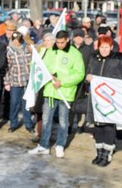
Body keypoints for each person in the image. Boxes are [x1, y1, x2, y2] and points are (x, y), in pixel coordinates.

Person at [28, 30, 85, 158]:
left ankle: (60, 145)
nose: (59, 45)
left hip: (65, 93)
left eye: (61, 43)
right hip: (50, 91)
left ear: (67, 40)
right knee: (47, 119)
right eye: (57, 42)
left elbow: (79, 74)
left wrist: (63, 82)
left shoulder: (75, 54)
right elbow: (41, 65)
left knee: (63, 121)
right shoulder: (50, 51)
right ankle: (44, 145)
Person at [86, 36, 122, 167]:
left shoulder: (116, 60)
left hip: (108, 99)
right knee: (98, 127)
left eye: (106, 47)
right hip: (95, 98)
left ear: (111, 47)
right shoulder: (93, 59)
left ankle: (106, 154)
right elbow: (88, 73)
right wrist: (88, 77)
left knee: (108, 127)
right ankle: (99, 153)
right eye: (102, 47)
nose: (104, 50)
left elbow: (120, 78)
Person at [5, 31, 33, 133]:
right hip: (15, 81)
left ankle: (28, 124)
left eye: (18, 40)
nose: (17, 42)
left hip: (27, 80)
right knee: (14, 103)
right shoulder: (9, 50)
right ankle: (13, 123)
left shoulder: (27, 48)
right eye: (14, 40)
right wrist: (7, 82)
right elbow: (7, 68)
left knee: (27, 104)